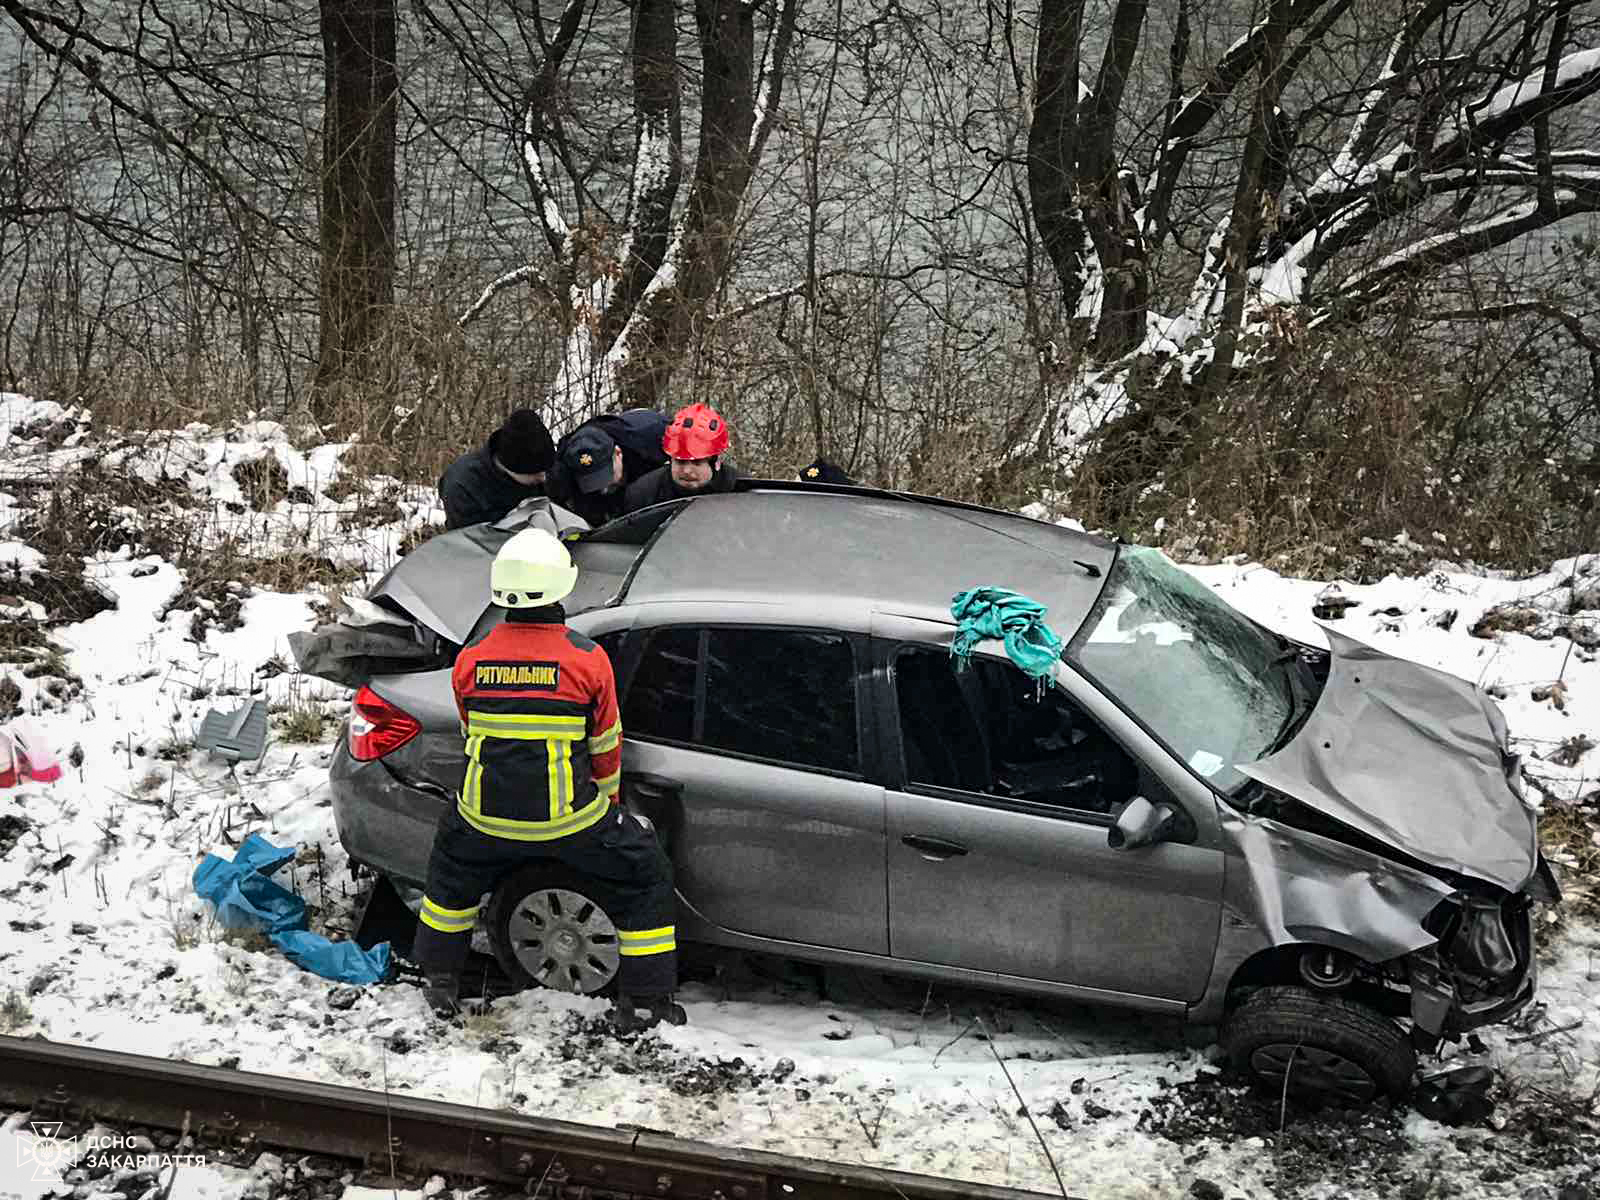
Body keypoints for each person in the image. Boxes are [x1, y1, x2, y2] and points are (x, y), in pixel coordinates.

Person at [411, 528, 683, 1031]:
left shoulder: (471, 659)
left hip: (481, 817)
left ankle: (439, 981)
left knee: (450, 877)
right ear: (561, 589)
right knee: (643, 873)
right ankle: (645, 1001)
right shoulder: (586, 660)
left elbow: (475, 732)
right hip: (569, 819)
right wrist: (607, 809)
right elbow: (605, 744)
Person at [545, 409, 671, 527]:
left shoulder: (652, 440)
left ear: (618, 454)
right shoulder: (563, 468)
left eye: (606, 475)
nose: (603, 488)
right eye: (592, 481)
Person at [438, 409, 556, 530]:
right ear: (511, 468)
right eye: (535, 473)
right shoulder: (462, 486)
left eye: (545, 470)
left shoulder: (546, 471)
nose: (543, 478)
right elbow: (466, 541)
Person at [620, 402, 742, 514]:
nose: (687, 471)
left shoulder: (742, 492)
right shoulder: (642, 495)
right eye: (680, 462)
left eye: (697, 463)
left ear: (716, 462)